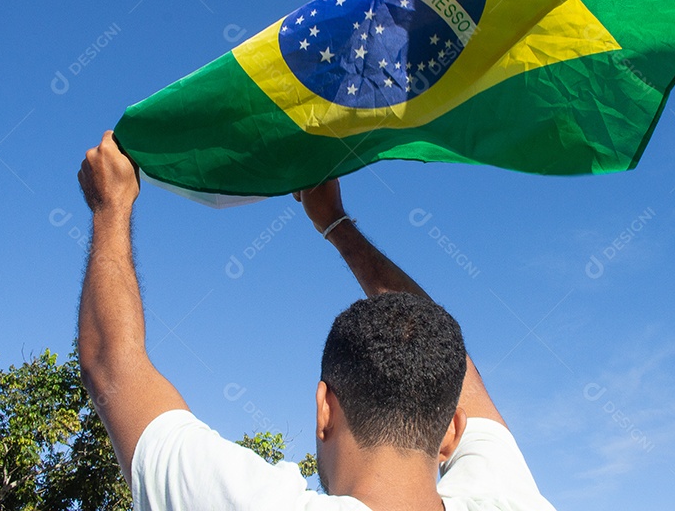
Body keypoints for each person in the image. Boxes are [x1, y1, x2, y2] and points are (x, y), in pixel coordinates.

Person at [77, 130, 557, 510]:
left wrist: (109, 206)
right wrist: (336, 225)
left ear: (324, 408)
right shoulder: (510, 500)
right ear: (453, 430)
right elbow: (113, 368)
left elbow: (113, 366)